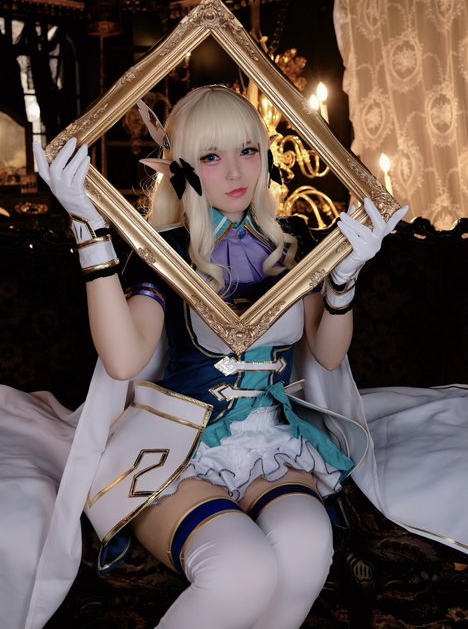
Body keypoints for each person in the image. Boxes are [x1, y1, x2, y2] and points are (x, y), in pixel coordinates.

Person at [28, 84, 406, 629]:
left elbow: (326, 354)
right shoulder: (166, 250)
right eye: (210, 156)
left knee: (306, 543)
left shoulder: (292, 243)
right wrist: (90, 231)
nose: (235, 172)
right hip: (178, 450)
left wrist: (345, 279)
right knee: (240, 570)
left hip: (272, 443)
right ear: (179, 168)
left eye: (247, 150)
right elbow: (123, 360)